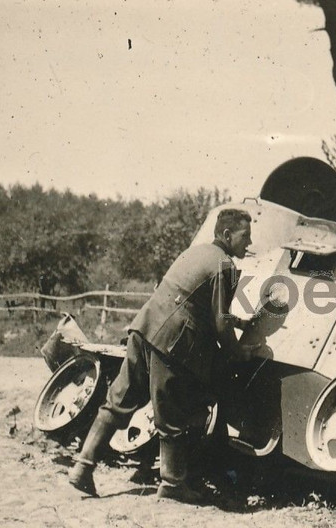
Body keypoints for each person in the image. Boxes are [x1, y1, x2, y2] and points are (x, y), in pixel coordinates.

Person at [67, 207, 254, 503]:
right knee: (172, 411)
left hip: (145, 328)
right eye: (245, 236)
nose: (249, 244)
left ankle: (82, 466)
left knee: (119, 399)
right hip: (173, 342)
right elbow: (219, 324)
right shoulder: (225, 266)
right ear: (227, 234)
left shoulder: (194, 253)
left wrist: (237, 322)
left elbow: (194, 301)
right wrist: (240, 351)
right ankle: (172, 483)